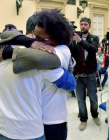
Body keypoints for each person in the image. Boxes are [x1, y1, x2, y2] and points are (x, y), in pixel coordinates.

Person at [0, 9, 76, 140]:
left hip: (53, 119)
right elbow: (6, 35)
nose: (37, 41)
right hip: (35, 120)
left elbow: (70, 84)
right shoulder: (33, 48)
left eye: (42, 39)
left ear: (56, 40)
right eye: (35, 36)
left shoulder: (61, 51)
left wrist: (7, 52)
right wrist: (30, 42)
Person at [69, 17, 100, 131]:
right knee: (80, 99)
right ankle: (83, 119)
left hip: (91, 74)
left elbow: (94, 49)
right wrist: (70, 40)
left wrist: (81, 41)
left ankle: (95, 115)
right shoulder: (75, 38)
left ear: (89, 26)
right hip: (78, 75)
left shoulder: (94, 38)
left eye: (85, 24)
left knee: (93, 98)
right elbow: (71, 52)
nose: (83, 26)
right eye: (81, 24)